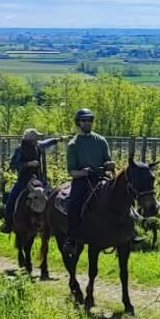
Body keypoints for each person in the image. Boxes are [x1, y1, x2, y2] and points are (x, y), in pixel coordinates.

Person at [64, 108, 111, 253]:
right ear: (78, 123)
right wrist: (82, 172)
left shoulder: (101, 140)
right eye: (84, 120)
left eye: (90, 120)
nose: (87, 123)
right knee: (74, 203)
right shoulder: (73, 144)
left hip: (101, 177)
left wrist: (110, 164)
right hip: (82, 179)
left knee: (122, 194)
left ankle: (130, 233)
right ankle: (71, 237)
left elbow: (107, 160)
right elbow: (71, 171)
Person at [1, 127, 59, 233]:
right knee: (11, 200)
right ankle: (8, 223)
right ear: (29, 138)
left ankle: (52, 224)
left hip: (38, 179)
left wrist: (59, 139)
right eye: (35, 137)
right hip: (24, 180)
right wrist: (28, 164)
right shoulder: (20, 149)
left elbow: (46, 143)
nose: (37, 139)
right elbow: (13, 165)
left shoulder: (37, 145)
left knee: (52, 196)